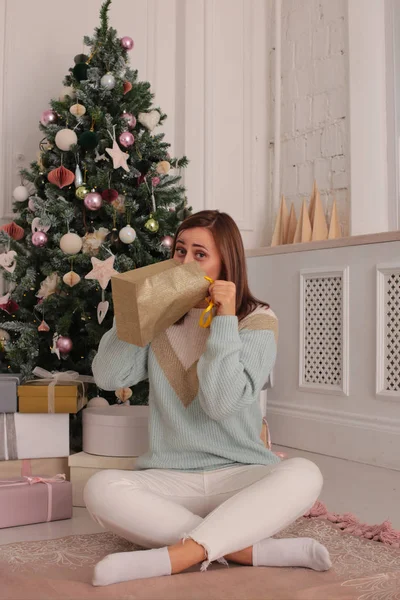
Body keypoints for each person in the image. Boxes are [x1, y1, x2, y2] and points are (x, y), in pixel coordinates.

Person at [85, 210, 331, 587]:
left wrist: (225, 319)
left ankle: (180, 555)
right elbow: (108, 376)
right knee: (99, 489)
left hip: (241, 475)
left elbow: (221, 402)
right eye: (180, 251)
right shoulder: (160, 318)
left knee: (304, 474)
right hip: (170, 479)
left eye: (200, 254)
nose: (184, 262)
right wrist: (135, 314)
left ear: (225, 263)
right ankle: (249, 550)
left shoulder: (258, 321)